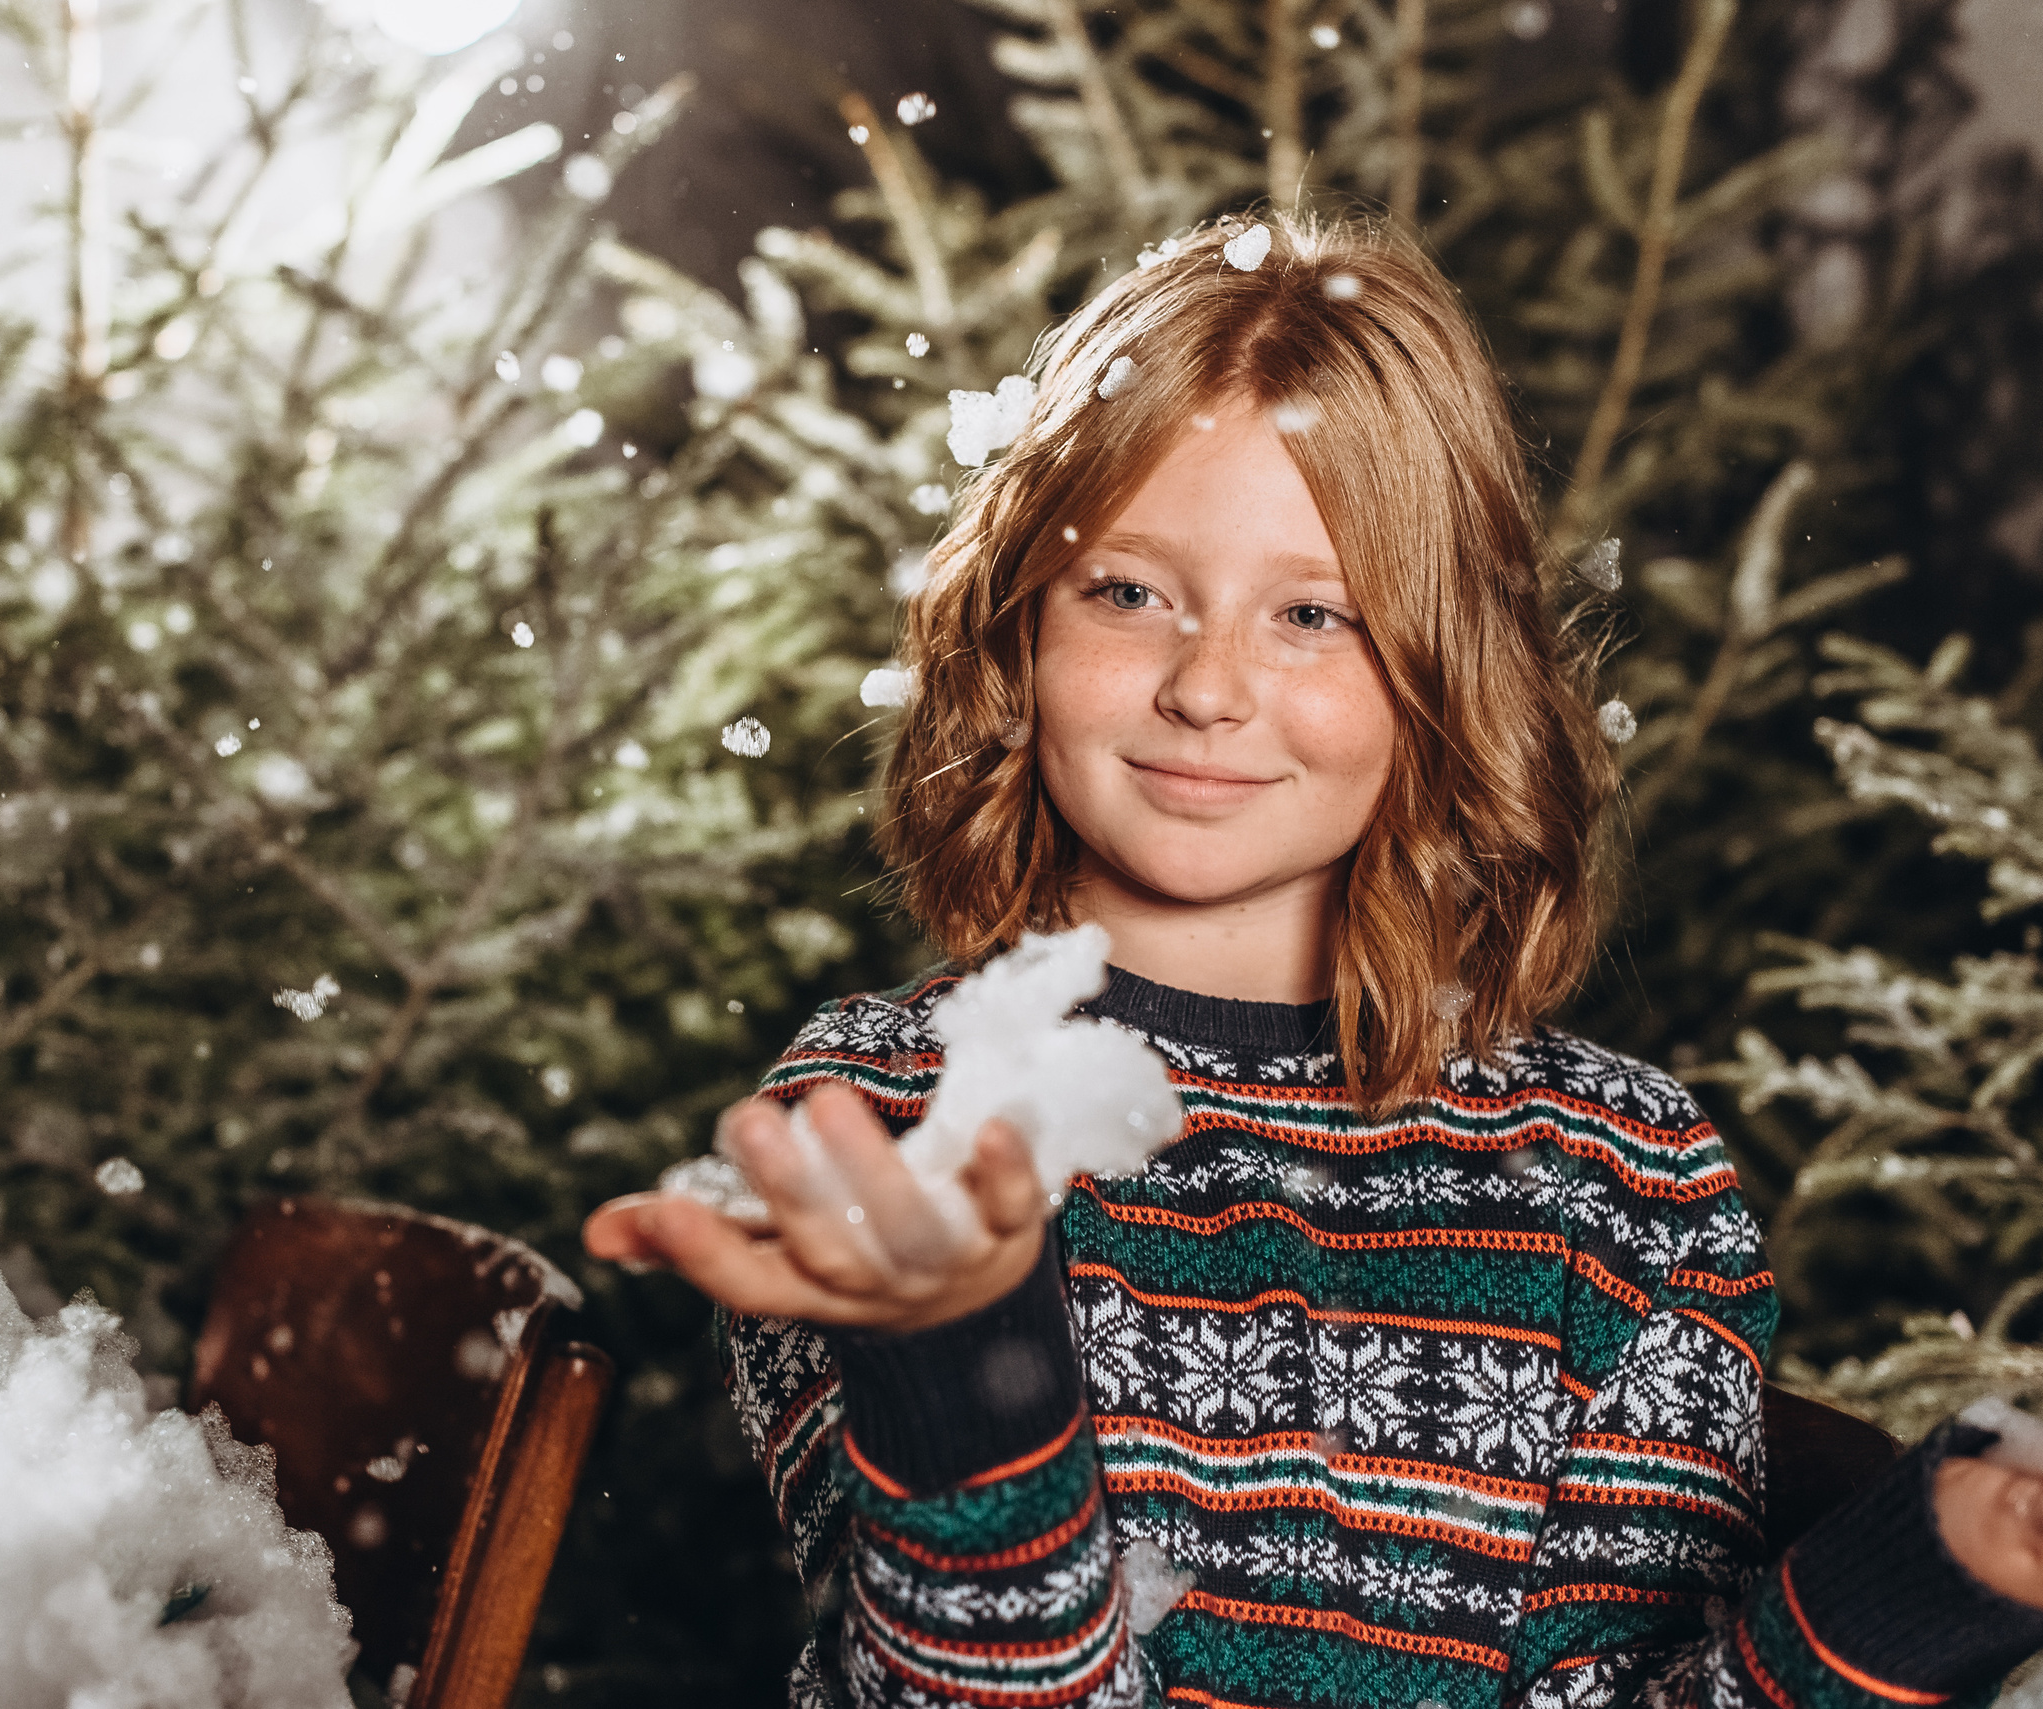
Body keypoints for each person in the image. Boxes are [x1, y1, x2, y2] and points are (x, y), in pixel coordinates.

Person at [584, 211, 2043, 1709]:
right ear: (1014, 618)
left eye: (1312, 615)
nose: (1209, 686)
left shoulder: (1624, 1176)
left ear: (1445, 674)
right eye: (1129, 591)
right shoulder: (894, 1122)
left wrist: (1923, 1591)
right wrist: (963, 1369)